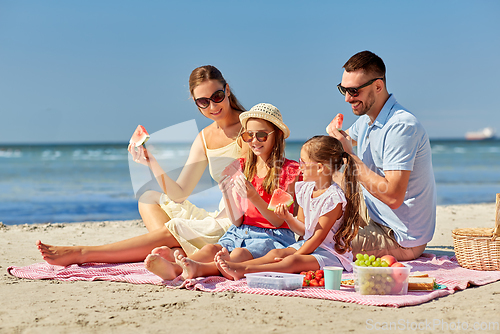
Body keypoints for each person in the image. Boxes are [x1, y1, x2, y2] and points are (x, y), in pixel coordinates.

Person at [36, 65, 249, 266]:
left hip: (240, 221)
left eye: (217, 97)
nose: (212, 106)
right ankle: (179, 254)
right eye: (203, 102)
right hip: (220, 215)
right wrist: (151, 161)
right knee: (149, 198)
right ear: (195, 102)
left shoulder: (251, 127)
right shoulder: (204, 138)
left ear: (227, 90)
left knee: (174, 229)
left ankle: (83, 253)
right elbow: (179, 194)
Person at [144, 103, 301, 280]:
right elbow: (237, 220)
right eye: (249, 135)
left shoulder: (290, 171)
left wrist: (254, 197)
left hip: (273, 236)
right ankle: (176, 267)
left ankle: (190, 270)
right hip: (240, 230)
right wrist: (227, 194)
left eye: (262, 135)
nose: (254, 141)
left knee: (238, 255)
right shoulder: (240, 167)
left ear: (277, 135)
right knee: (211, 249)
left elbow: (278, 221)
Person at [328, 50, 436, 261]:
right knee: (321, 176)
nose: (348, 98)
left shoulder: (401, 126)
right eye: (344, 90)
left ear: (378, 86)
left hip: (399, 236)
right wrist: (334, 136)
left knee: (322, 243)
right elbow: (343, 142)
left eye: (354, 91)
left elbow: (393, 197)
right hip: (374, 217)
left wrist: (349, 155)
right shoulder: (369, 119)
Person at [215, 135, 360, 279]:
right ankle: (240, 267)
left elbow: (317, 237)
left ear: (320, 167)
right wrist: (288, 218)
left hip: (329, 253)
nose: (299, 166)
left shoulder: (333, 198)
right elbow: (303, 229)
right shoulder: (305, 189)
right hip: (308, 245)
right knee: (275, 253)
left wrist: (295, 254)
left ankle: (244, 270)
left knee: (292, 261)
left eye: (303, 162)